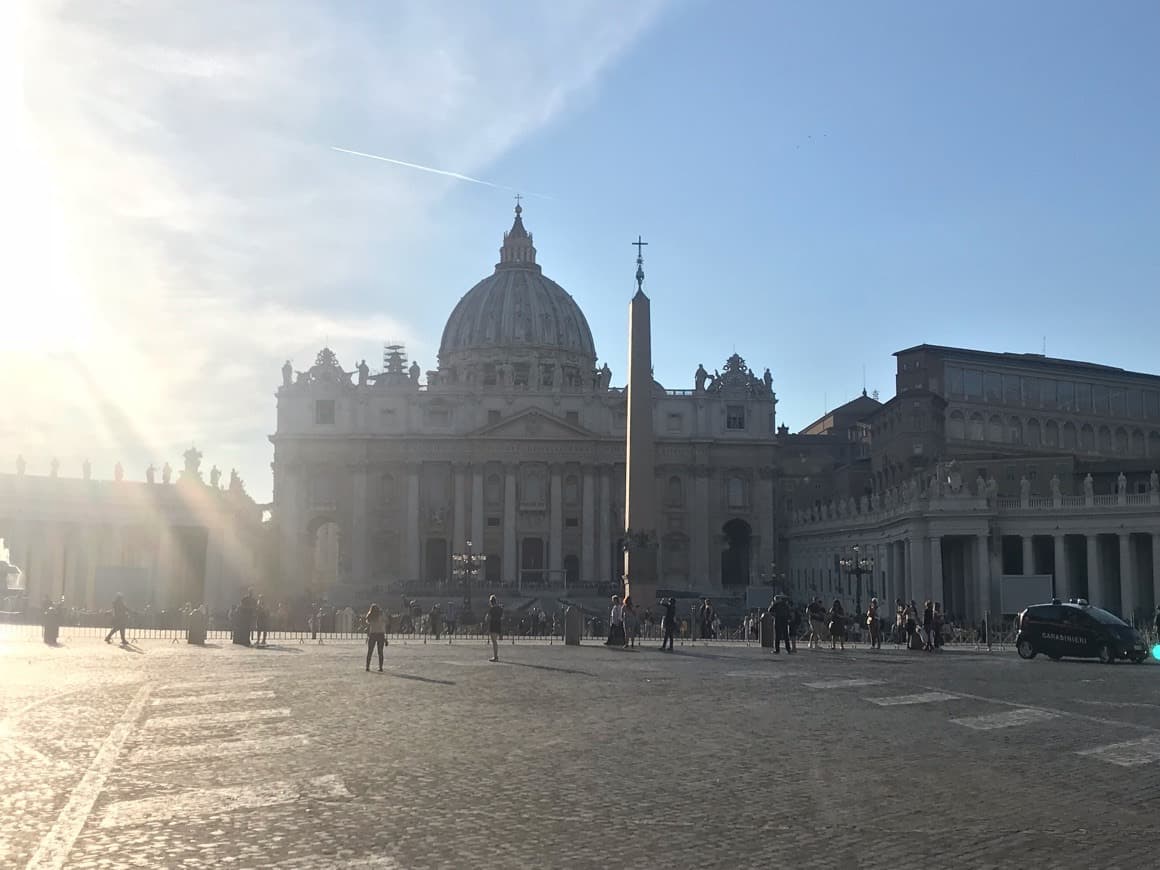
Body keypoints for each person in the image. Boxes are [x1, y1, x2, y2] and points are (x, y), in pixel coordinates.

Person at [365, 603, 386, 671]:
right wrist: (385, 639)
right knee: (380, 652)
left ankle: (367, 667)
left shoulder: (370, 616)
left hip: (373, 634)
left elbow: (368, 627)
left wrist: (367, 636)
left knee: (370, 651)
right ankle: (380, 667)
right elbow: (383, 626)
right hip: (380, 634)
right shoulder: (381, 615)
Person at [485, 595, 504, 662]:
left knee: (494, 641)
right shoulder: (500, 608)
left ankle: (495, 656)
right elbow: (502, 617)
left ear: (491, 602)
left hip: (493, 624)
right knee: (495, 641)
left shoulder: (491, 609)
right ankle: (495, 656)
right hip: (498, 624)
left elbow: (487, 618)